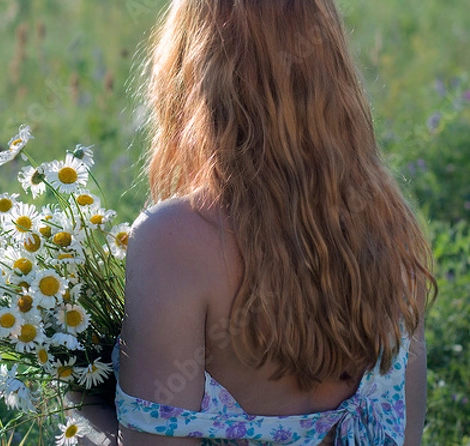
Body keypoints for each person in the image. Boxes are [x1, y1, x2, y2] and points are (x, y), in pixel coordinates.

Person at [115, 0, 438, 444]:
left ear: (192, 68)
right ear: (334, 69)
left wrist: (85, 403)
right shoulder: (391, 227)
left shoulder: (173, 240)